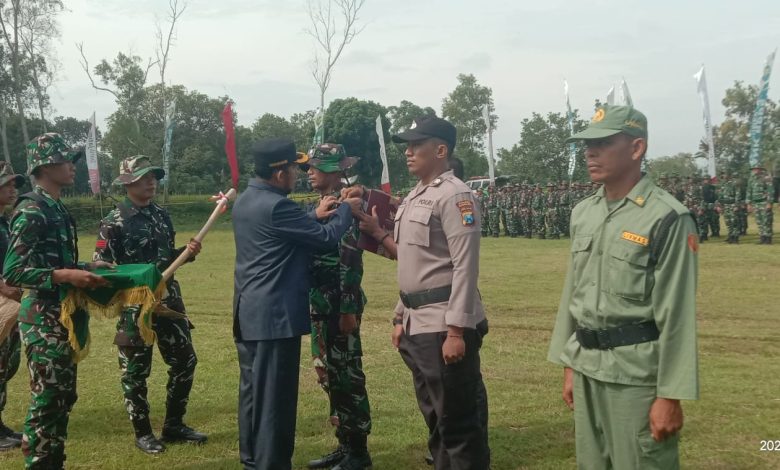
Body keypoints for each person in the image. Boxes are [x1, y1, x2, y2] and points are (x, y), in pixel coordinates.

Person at [548, 105, 699, 469]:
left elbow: (677, 311)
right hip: (587, 367)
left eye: (602, 142)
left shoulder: (667, 217)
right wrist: (570, 364)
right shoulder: (584, 212)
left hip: (634, 376)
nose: (590, 151)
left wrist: (670, 394)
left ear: (636, 149)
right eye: (587, 144)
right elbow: (574, 291)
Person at [361, 116, 490, 469]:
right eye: (407, 145)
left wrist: (456, 331)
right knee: (435, 417)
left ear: (441, 149)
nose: (408, 152)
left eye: (416, 145)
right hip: (418, 324)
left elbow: (465, 266)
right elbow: (414, 265)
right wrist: (400, 316)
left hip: (443, 325)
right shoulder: (415, 197)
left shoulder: (456, 196)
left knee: (458, 424)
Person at [232, 138, 360, 470]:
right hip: (275, 318)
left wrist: (312, 214)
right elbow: (327, 239)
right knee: (275, 401)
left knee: (253, 395)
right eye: (294, 168)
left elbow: (285, 228)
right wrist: (346, 208)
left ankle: (252, 461)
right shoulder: (278, 206)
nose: (299, 175)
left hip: (249, 314)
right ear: (279, 173)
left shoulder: (247, 200)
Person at [3, 133, 112, 469]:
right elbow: (14, 272)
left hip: (61, 315)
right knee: (48, 398)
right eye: (67, 162)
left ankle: (53, 461)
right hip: (42, 319)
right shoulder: (33, 211)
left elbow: (52, 261)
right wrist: (67, 277)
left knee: (64, 395)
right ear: (47, 166)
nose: (73, 168)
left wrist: (86, 267)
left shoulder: (55, 207)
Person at [93, 156, 206, 454]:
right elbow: (101, 266)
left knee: (185, 361)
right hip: (135, 306)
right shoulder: (112, 222)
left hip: (168, 300)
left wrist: (187, 252)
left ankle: (174, 425)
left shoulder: (161, 214)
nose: (151, 182)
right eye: (144, 178)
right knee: (135, 370)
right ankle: (143, 433)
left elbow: (167, 258)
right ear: (128, 183)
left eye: (153, 177)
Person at [304, 144, 372, 470]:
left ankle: (358, 452)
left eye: (315, 166)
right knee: (328, 376)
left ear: (333, 169)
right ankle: (344, 445)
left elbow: (350, 259)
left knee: (347, 377)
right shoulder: (320, 204)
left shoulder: (348, 203)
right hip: (319, 306)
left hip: (338, 307)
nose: (309, 171)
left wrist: (347, 309)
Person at [0, 163, 25, 451]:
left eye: (13, 184)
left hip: (9, 305)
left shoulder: (6, 222)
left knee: (7, 364)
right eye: (6, 184)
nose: (12, 189)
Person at [745, 165, 774, 244]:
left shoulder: (766, 178)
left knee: (766, 220)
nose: (756, 170)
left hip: (764, 202)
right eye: (754, 169)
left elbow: (771, 190)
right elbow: (749, 191)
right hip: (756, 203)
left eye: (757, 169)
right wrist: (748, 204)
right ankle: (762, 238)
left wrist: (769, 203)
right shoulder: (751, 179)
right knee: (759, 221)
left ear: (761, 169)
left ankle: (768, 238)